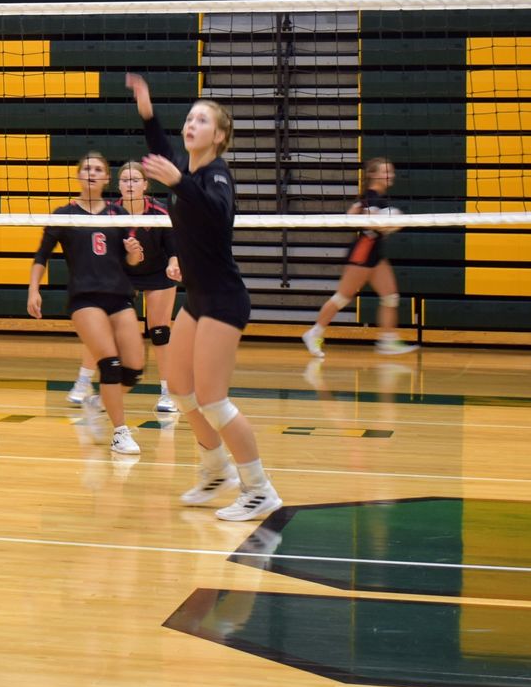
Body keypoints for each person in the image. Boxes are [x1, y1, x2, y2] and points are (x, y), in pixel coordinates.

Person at [128, 72, 282, 521]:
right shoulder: (189, 171)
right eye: (189, 118)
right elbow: (163, 153)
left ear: (219, 136)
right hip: (197, 299)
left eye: (202, 120)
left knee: (213, 399)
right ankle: (215, 469)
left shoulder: (216, 176)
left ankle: (259, 489)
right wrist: (148, 112)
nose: (191, 124)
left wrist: (178, 181)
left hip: (223, 299)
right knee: (180, 389)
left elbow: (216, 212)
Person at [26, 153, 146, 457]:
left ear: (106, 178)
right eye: (87, 168)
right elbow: (41, 256)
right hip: (85, 298)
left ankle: (98, 402)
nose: (92, 173)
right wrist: (33, 289)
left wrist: (134, 252)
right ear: (79, 176)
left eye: (98, 169)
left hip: (119, 295)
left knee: (134, 370)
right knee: (110, 364)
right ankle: (119, 433)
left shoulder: (118, 214)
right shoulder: (64, 214)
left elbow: (132, 261)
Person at [301, 158, 417, 357]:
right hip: (363, 252)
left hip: (375, 252)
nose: (391, 175)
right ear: (373, 175)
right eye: (385, 171)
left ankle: (388, 340)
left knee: (390, 297)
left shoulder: (374, 197)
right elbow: (370, 222)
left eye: (391, 171)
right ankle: (314, 333)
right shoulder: (372, 197)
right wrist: (392, 223)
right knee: (342, 297)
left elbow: (356, 213)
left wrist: (389, 221)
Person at [116, 161, 181, 414]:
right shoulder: (110, 213)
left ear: (145, 184)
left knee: (159, 332)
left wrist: (174, 264)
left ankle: (168, 392)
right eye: (125, 180)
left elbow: (173, 249)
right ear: (118, 185)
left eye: (135, 180)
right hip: (125, 274)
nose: (130, 185)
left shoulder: (159, 212)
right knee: (117, 333)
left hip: (157, 273)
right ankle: (103, 386)